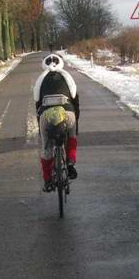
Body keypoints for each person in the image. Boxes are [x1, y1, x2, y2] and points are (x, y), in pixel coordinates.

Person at [33, 53, 80, 192]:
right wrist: (75, 124)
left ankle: (47, 180)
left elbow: (37, 104)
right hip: (67, 112)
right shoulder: (67, 78)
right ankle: (70, 162)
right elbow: (75, 99)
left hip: (46, 114)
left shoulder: (40, 80)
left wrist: (41, 131)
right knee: (71, 139)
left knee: (47, 147)